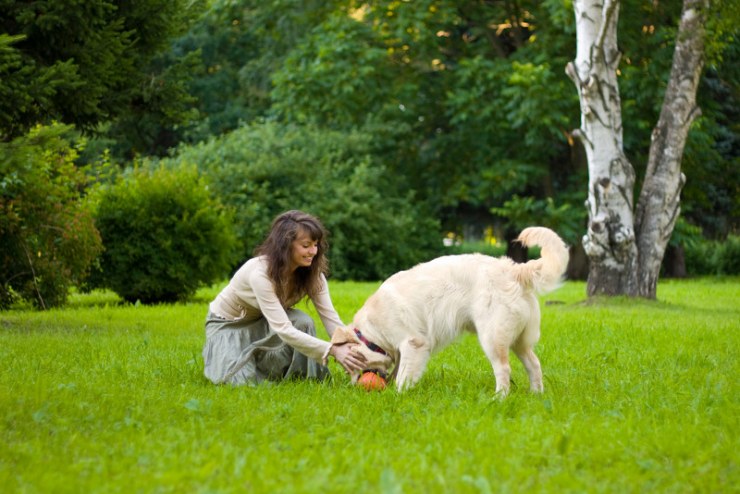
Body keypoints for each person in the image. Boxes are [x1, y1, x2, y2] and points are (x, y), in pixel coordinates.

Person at [202, 210, 365, 385]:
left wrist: (356, 349)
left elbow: (331, 319)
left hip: (266, 320)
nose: (313, 251)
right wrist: (331, 350)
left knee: (303, 321)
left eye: (316, 244)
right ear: (285, 245)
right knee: (240, 382)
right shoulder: (260, 273)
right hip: (229, 326)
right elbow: (284, 330)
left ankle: (301, 378)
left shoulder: (314, 275)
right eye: (306, 245)